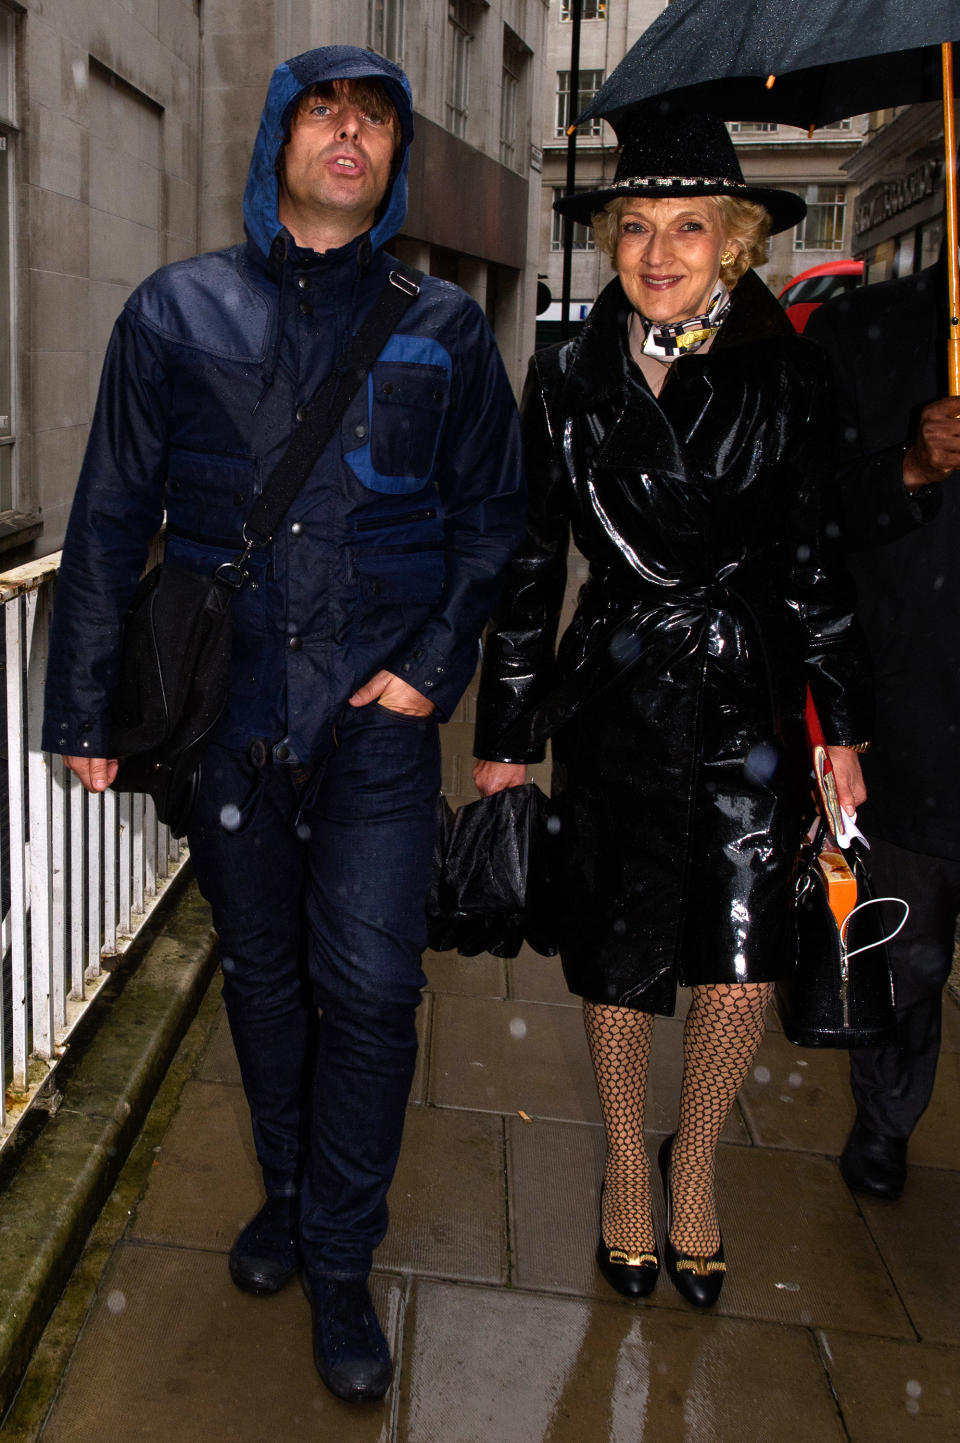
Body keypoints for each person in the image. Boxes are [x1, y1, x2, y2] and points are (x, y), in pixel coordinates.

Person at [41, 46, 524, 1403]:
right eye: (327, 112)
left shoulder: (441, 330)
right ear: (280, 141)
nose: (352, 135)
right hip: (231, 720)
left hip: (377, 721)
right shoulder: (173, 311)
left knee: (370, 987)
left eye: (376, 118)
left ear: (397, 154)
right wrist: (85, 703)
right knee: (263, 980)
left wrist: (434, 666)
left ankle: (335, 1253)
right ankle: (295, 1187)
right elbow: (110, 516)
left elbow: (495, 518)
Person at [473, 109, 872, 1309]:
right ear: (610, 239)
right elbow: (533, 563)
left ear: (736, 241)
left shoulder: (789, 370)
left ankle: (691, 1157)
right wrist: (506, 735)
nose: (658, 252)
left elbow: (816, 565)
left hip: (748, 693)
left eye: (689, 227)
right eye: (636, 226)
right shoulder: (566, 375)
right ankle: (625, 1179)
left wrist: (840, 729)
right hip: (619, 695)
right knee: (619, 953)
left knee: (743, 962)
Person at [806, 252, 960, 1200]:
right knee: (906, 946)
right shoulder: (871, 329)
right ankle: (887, 1113)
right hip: (913, 704)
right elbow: (813, 516)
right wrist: (909, 465)